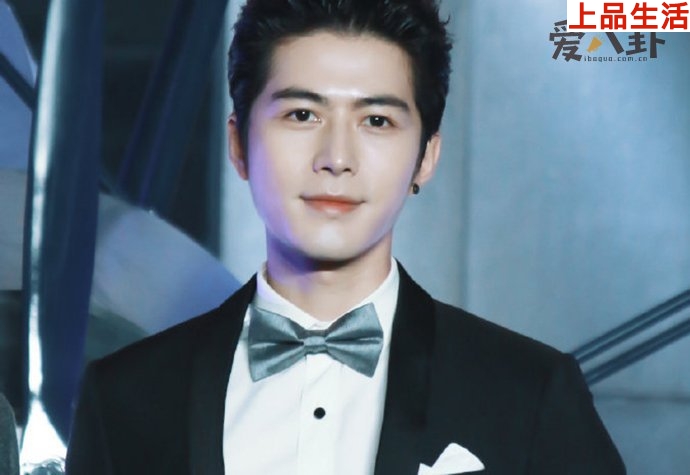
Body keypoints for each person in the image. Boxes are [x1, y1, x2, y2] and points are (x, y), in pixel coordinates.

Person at [66, 0, 626, 473]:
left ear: (426, 157)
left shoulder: (528, 393)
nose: (336, 157)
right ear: (239, 144)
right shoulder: (125, 398)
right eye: (302, 115)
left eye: (376, 121)